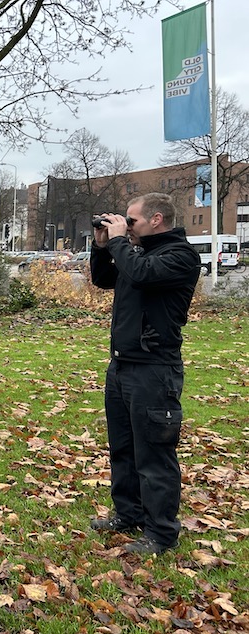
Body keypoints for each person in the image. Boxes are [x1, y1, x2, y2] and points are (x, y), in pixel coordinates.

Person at [88, 192, 201, 555]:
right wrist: (103, 246)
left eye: (131, 221)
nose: (127, 226)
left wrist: (121, 242)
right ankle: (129, 513)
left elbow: (140, 275)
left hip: (155, 370)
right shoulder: (135, 253)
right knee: (124, 448)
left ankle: (161, 533)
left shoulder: (179, 256)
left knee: (154, 454)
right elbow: (105, 279)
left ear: (156, 219)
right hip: (122, 365)